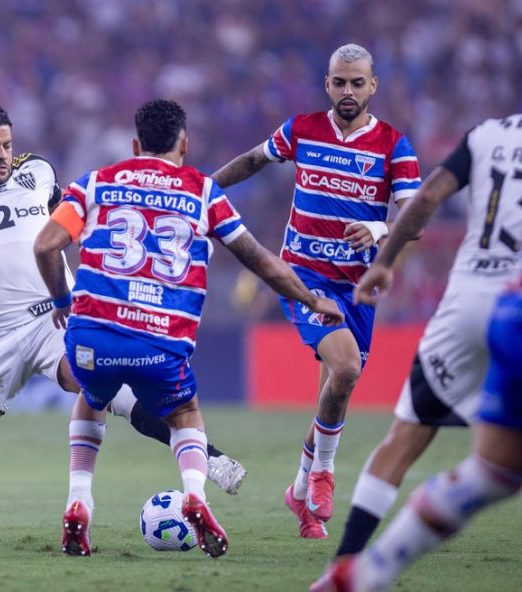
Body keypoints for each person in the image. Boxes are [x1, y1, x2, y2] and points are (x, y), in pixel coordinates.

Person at [0, 102, 247, 545]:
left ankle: (210, 457)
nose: (2, 154)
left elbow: (77, 221)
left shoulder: (38, 172)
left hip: (56, 318)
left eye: (7, 144)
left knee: (107, 388)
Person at [34, 99, 344, 558]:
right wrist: (313, 299)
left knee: (90, 396)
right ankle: (195, 493)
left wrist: (62, 300)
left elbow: (45, 245)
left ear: (136, 145)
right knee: (184, 413)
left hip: (92, 335)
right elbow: (259, 261)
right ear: (185, 143)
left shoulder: (95, 183)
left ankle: (79, 499)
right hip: (161, 340)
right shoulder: (203, 192)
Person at [211, 43, 421, 538]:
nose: (347, 91)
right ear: (327, 85)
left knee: (336, 389)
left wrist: (379, 229)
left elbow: (414, 220)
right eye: (339, 82)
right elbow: (253, 160)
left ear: (373, 86)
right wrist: (199, 191)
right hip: (303, 278)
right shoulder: (302, 129)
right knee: (345, 368)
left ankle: (299, 494)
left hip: (359, 287)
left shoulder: (394, 145)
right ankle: (323, 475)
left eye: (357, 82)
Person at [309, 114, 522, 590]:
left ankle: (345, 567)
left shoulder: (488, 134)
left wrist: (384, 264)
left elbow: (426, 197)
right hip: (516, 295)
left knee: (408, 439)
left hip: (469, 304)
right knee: (496, 470)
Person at [310, 282, 522, 592]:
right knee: (493, 470)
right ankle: (356, 566)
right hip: (505, 303)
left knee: (484, 468)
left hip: (474, 313)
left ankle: (354, 568)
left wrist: (385, 258)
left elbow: (414, 229)